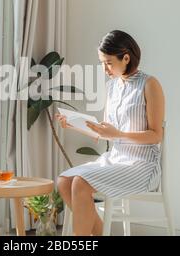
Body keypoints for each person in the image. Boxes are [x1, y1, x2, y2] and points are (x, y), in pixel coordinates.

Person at [55, 30, 165, 236]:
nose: (105, 69)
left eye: (108, 62)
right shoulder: (112, 86)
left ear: (126, 57)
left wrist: (119, 135)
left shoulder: (150, 84)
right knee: (64, 181)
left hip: (142, 166)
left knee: (80, 182)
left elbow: (156, 135)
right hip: (115, 159)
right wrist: (74, 125)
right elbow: (107, 133)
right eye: (101, 63)